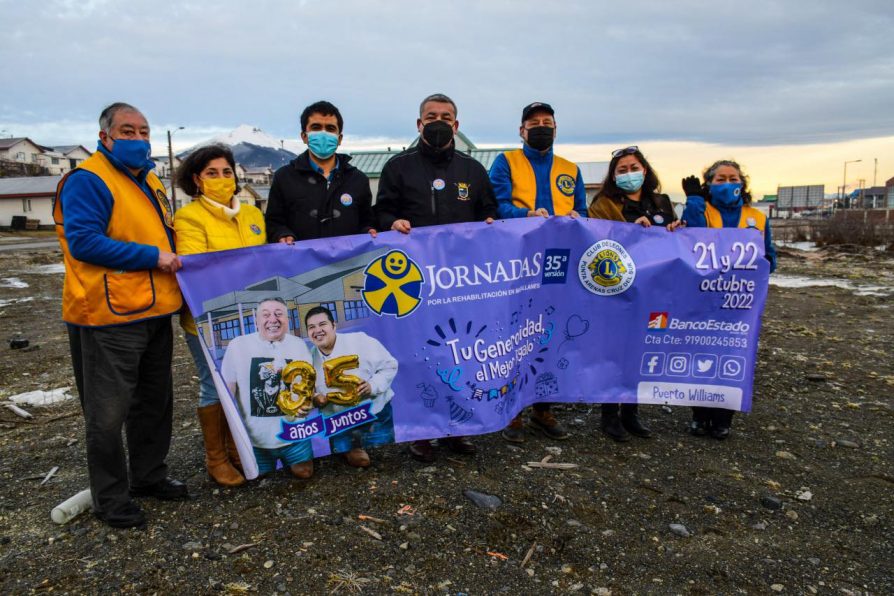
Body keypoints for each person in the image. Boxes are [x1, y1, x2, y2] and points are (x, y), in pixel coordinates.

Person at [53, 102, 187, 528]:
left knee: (154, 402)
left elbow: (165, 231)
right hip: (107, 315)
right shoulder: (88, 181)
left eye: (144, 131)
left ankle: (149, 476)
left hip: (153, 309)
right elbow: (84, 243)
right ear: (105, 136)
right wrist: (154, 257)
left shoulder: (148, 177)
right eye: (127, 131)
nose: (138, 139)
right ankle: (111, 498)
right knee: (108, 413)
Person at [374, 92, 498, 462]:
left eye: (446, 116)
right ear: (419, 124)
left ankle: (458, 427)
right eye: (431, 116)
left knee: (461, 352)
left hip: (462, 283)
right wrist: (391, 223)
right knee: (419, 353)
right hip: (415, 281)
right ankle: (422, 430)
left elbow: (490, 212)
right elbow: (380, 214)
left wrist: (491, 224)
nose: (438, 122)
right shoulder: (398, 167)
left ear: (457, 126)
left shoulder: (473, 170)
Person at [489, 101, 587, 443]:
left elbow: (583, 213)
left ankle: (544, 408)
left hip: (560, 265)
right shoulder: (506, 162)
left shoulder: (570, 169)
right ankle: (512, 409)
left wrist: (578, 220)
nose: (541, 126)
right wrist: (524, 214)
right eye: (534, 122)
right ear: (522, 130)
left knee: (554, 334)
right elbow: (494, 205)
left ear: (556, 129)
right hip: (519, 261)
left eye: (548, 122)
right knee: (516, 334)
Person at [173, 144, 267, 487]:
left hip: (249, 318)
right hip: (206, 321)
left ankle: (237, 446)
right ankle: (215, 457)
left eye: (227, 171)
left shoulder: (253, 215)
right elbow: (198, 271)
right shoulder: (188, 218)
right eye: (212, 173)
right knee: (215, 386)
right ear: (197, 179)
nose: (222, 178)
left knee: (242, 383)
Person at [589, 146, 682, 441]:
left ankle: (632, 412)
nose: (629, 174)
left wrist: (676, 228)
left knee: (642, 350)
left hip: (653, 285)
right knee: (616, 351)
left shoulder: (661, 201)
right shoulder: (604, 204)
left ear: (645, 169)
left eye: (634, 167)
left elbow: (675, 240)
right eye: (622, 170)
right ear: (613, 176)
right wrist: (628, 229)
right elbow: (594, 238)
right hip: (618, 287)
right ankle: (609, 415)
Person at [681, 159, 777, 440]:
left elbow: (769, 253)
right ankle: (699, 416)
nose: (726, 184)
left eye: (732, 178)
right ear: (709, 184)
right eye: (719, 179)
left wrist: (764, 266)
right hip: (704, 295)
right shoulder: (704, 210)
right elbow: (693, 238)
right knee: (701, 354)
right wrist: (695, 200)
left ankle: (724, 418)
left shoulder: (757, 217)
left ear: (742, 183)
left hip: (740, 300)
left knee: (733, 356)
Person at [221, 298, 319, 478]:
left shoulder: (298, 344)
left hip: (295, 435)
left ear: (287, 320)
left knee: (305, 473)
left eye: (278, 314)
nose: (272, 319)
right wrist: (231, 438)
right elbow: (226, 393)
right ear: (256, 321)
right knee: (260, 480)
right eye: (265, 315)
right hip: (255, 440)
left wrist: (308, 405)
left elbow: (309, 387)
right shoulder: (238, 345)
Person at [265, 100, 376, 243]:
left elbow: (367, 220)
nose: (323, 134)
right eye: (316, 127)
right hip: (303, 263)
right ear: (304, 136)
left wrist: (368, 230)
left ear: (339, 138)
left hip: (348, 263)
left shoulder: (358, 179)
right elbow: (273, 222)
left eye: (330, 128)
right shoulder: (284, 177)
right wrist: (281, 234)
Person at [305, 306, 398, 468]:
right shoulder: (308, 359)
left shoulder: (360, 341)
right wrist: (315, 398)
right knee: (352, 466)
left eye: (322, 324)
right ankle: (351, 452)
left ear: (334, 325)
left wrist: (372, 385)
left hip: (374, 416)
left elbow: (390, 365)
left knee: (386, 461)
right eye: (311, 327)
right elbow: (309, 391)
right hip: (340, 424)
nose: (317, 330)